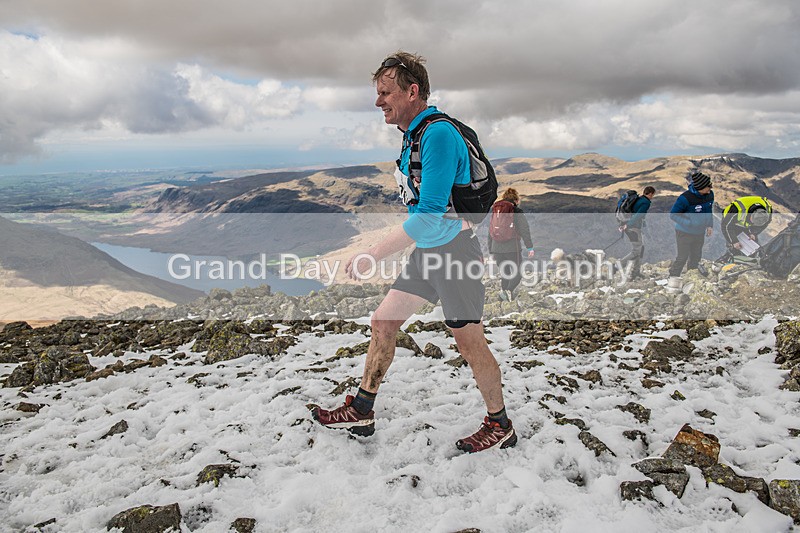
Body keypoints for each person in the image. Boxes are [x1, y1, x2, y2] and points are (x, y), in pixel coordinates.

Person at [311, 51, 516, 453]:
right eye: (378, 93)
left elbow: (427, 215)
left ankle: (500, 424)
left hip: (455, 254)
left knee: (469, 342)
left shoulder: (437, 134)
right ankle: (363, 408)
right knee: (384, 321)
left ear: (413, 91)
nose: (378, 102)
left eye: (386, 93)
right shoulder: (414, 135)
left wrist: (373, 253)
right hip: (430, 252)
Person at [667, 172, 714, 289]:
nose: (710, 190)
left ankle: (691, 279)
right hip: (684, 233)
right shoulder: (685, 198)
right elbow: (673, 215)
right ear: (699, 188)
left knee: (696, 256)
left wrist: (709, 225)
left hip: (699, 233)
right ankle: (672, 279)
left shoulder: (709, 195)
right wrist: (690, 223)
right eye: (708, 187)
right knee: (682, 257)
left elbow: (709, 211)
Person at [487, 188, 534, 301]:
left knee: (505, 273)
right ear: (516, 200)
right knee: (518, 272)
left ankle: (504, 297)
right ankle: (507, 292)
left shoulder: (496, 210)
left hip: (496, 248)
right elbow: (524, 229)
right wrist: (529, 247)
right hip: (512, 248)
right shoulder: (516, 211)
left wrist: (491, 249)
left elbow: (491, 231)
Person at [718, 196, 773, 262]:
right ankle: (726, 260)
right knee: (734, 248)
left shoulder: (767, 212)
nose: (752, 224)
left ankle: (750, 261)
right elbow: (725, 226)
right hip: (732, 224)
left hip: (745, 224)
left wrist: (753, 233)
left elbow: (764, 224)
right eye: (753, 222)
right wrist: (734, 241)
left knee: (753, 249)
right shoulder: (737, 210)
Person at [619, 186, 655, 279]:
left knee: (640, 248)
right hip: (633, 227)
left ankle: (636, 272)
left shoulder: (638, 199)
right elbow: (639, 216)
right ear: (650, 193)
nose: (652, 197)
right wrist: (629, 225)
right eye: (653, 195)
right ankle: (618, 266)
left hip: (629, 226)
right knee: (636, 250)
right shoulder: (646, 202)